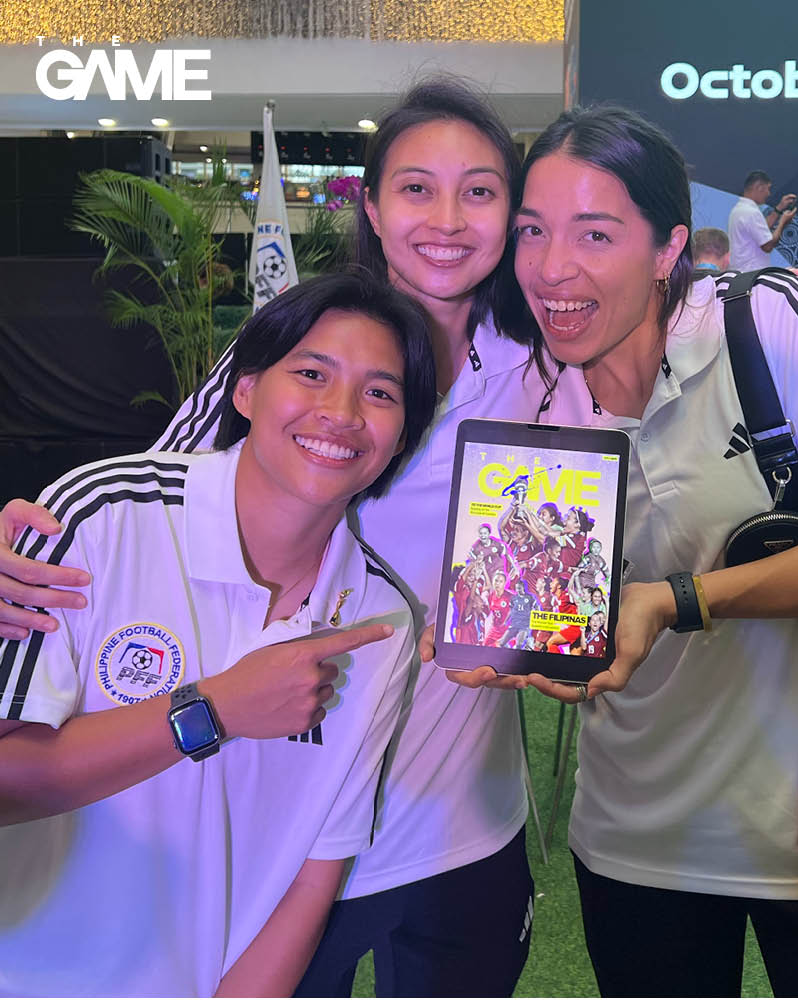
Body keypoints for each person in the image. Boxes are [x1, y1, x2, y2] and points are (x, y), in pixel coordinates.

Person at [0, 78, 542, 998]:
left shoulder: (541, 365)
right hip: (273, 815)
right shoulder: (293, 347)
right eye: (416, 188)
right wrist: (29, 537)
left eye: (480, 190)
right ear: (371, 204)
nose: (446, 218)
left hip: (457, 819)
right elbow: (142, 516)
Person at [455, 104, 798, 997]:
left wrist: (677, 599)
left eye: (595, 233)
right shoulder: (527, 400)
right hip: (633, 837)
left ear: (669, 245)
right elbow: (557, 609)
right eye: (532, 231)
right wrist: (544, 645)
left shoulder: (765, 323)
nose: (552, 268)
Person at [0, 271, 437, 996]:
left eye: (381, 393)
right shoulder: (101, 516)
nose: (341, 412)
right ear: (245, 391)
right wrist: (212, 710)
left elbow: (312, 870)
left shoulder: (381, 620)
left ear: (400, 440)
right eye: (311, 373)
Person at [727, 170, 797, 271]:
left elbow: (761, 232)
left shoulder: (740, 209)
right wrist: (782, 222)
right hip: (749, 273)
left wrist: (779, 208)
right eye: (768, 189)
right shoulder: (750, 212)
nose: (769, 194)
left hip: (741, 271)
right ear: (759, 187)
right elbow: (767, 245)